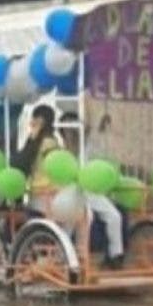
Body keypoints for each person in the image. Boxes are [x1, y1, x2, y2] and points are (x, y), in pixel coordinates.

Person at [58, 112, 125, 269]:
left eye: (74, 129)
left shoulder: (87, 144)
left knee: (114, 216)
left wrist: (101, 124)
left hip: (90, 189)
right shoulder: (62, 152)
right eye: (68, 130)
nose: (72, 134)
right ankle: (63, 256)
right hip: (71, 191)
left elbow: (96, 134)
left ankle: (116, 256)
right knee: (72, 222)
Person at [13, 105, 60, 211]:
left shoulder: (47, 143)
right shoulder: (39, 141)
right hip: (41, 195)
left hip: (44, 195)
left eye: (34, 118)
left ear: (40, 121)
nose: (31, 122)